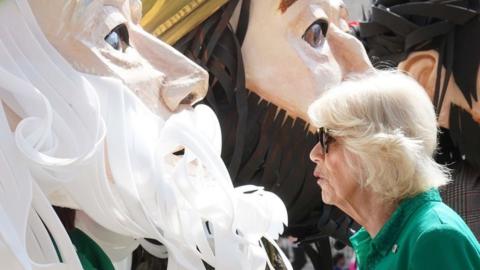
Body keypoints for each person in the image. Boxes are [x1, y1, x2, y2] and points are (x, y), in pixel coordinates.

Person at [309, 71, 480, 269]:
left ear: (378, 150)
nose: (314, 154)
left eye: (327, 138)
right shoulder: (381, 240)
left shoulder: (433, 237)